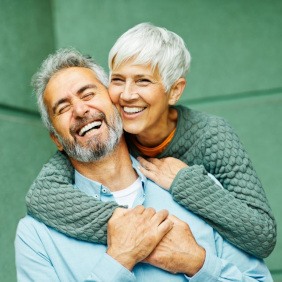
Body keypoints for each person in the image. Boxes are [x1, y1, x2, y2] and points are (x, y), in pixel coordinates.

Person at [15, 48, 272, 281]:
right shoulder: (35, 236)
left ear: (117, 105)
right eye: (63, 108)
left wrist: (198, 263)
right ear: (56, 139)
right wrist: (118, 261)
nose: (81, 110)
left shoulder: (201, 191)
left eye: (89, 94)